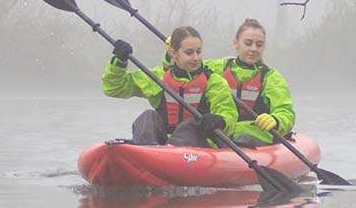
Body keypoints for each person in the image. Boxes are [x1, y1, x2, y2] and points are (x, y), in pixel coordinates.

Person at [103, 25, 237, 147]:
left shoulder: (213, 82)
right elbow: (115, 88)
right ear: (173, 53)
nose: (196, 57)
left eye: (199, 51)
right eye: (189, 53)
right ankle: (147, 151)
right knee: (148, 116)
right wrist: (120, 62)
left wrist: (220, 121)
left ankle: (164, 155)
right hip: (161, 145)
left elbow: (228, 114)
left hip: (200, 144)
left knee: (188, 126)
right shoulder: (158, 78)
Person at [205, 18, 296, 147]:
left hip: (253, 134)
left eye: (259, 45)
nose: (253, 49)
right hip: (219, 131)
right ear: (236, 43)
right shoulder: (216, 68)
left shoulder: (271, 77)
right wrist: (173, 54)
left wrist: (275, 120)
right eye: (248, 43)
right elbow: (184, 68)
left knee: (243, 134)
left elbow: (286, 112)